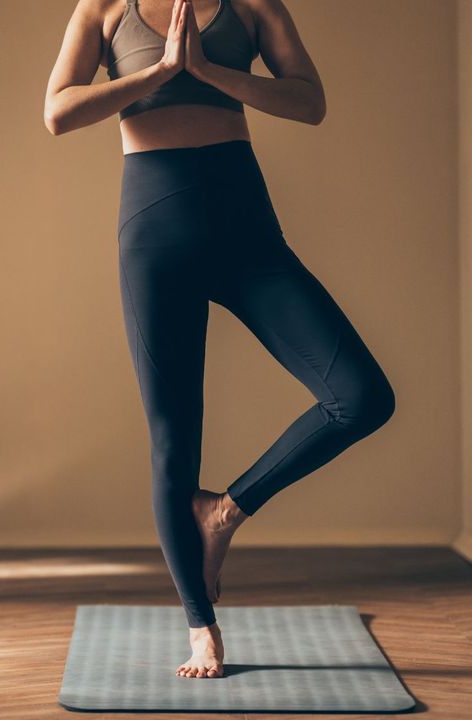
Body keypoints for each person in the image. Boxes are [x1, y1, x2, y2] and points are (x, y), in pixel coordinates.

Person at [44, 0, 395, 678]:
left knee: (361, 395)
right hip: (154, 229)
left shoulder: (256, 6)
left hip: (246, 225)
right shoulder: (106, 10)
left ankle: (225, 511)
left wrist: (211, 72)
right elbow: (58, 111)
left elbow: (309, 101)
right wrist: (163, 72)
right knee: (174, 437)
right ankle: (200, 627)